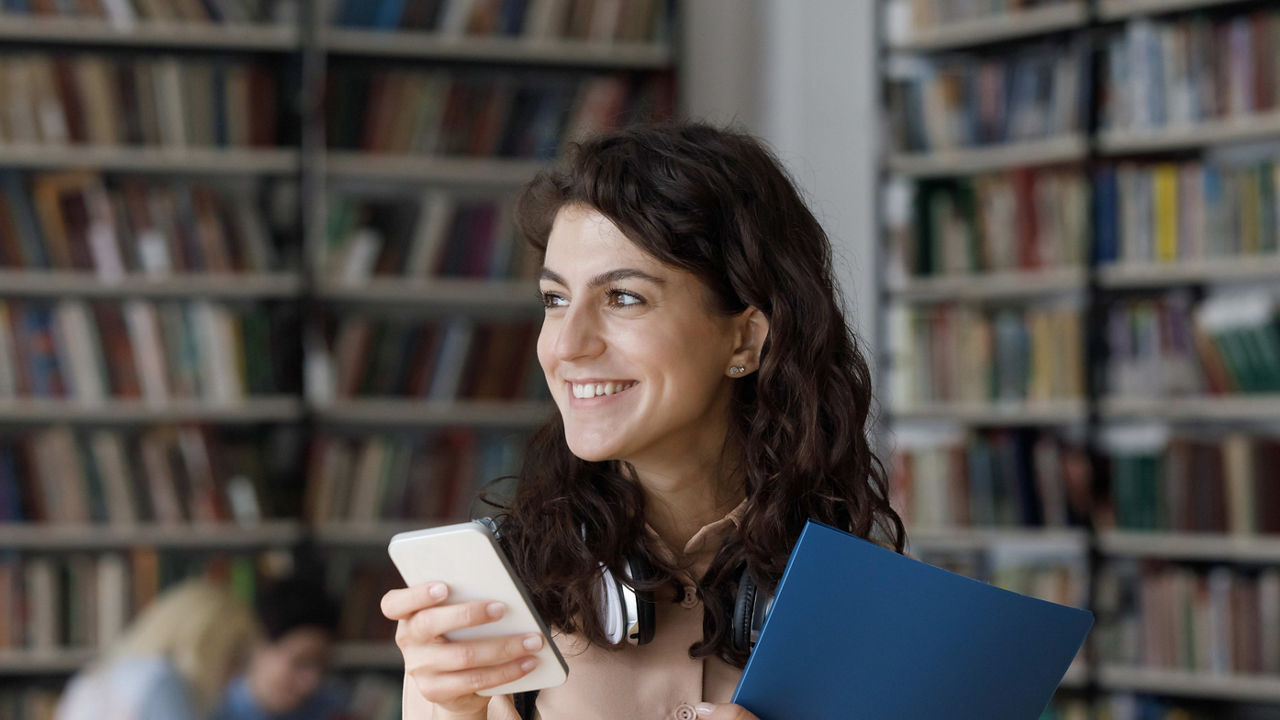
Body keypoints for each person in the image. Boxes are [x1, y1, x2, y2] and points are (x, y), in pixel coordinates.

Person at [380, 122, 906, 720]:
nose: (567, 345)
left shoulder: (871, 606)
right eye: (555, 299)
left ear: (745, 339)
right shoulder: (495, 601)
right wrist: (452, 714)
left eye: (623, 297)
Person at [56, 577, 260, 720]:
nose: (235, 676)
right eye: (233, 658)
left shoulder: (103, 677)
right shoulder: (164, 683)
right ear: (207, 647)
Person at [211, 576, 347, 720]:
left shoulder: (333, 706)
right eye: (300, 662)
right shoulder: (211, 707)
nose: (312, 682)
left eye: (323, 665)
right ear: (258, 645)